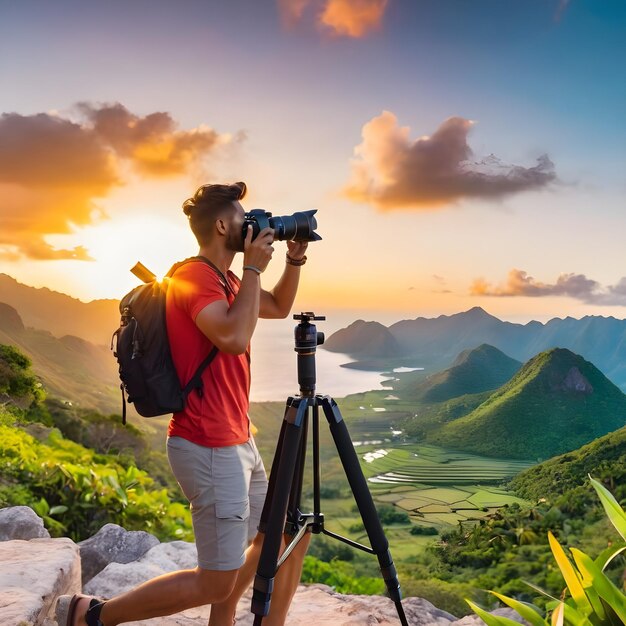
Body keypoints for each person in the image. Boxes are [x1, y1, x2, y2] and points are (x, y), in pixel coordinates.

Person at [57, 182, 311, 626]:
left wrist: (293, 258)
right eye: (242, 217)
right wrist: (254, 268)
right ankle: (95, 616)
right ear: (220, 225)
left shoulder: (227, 279)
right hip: (208, 445)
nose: (250, 224)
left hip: (238, 441)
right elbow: (232, 338)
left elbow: (279, 306)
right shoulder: (193, 277)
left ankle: (225, 620)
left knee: (276, 537)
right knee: (216, 581)